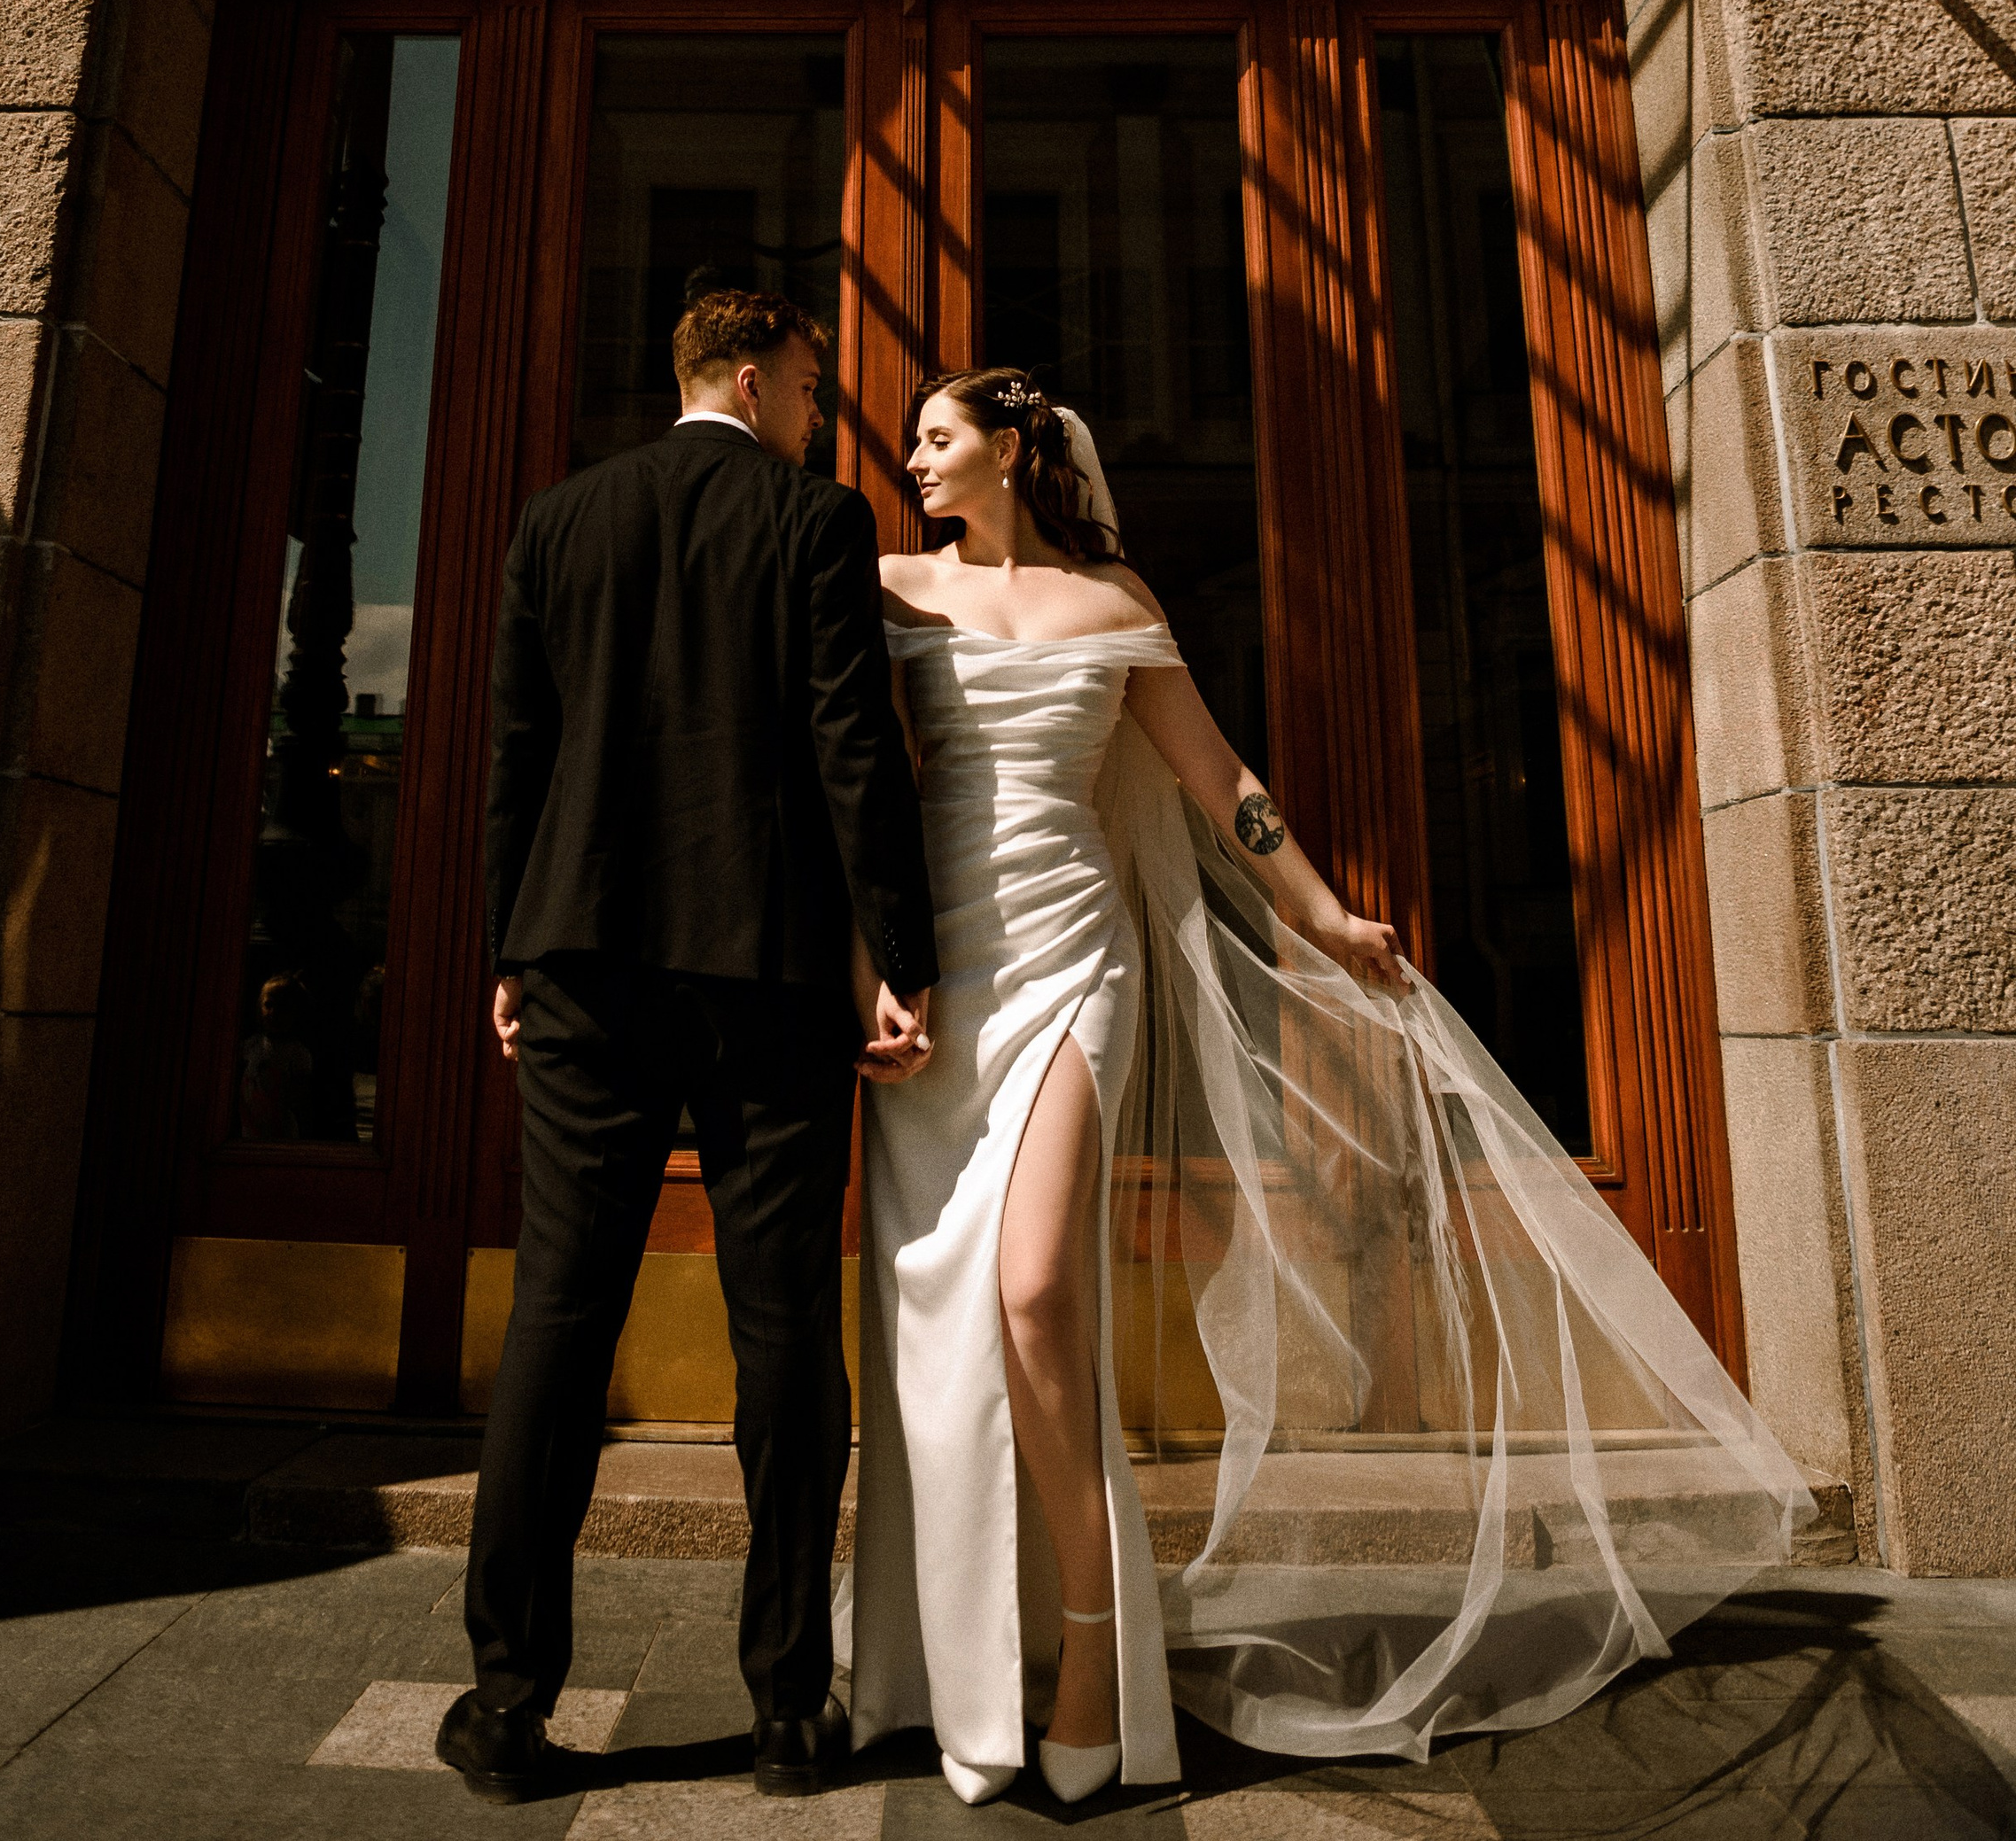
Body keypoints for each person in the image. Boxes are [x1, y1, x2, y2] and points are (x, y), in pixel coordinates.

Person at [847, 368, 1812, 1798]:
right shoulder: (889, 589)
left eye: (938, 437)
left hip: (1074, 968)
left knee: (1041, 1289)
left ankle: (1095, 1639)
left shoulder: (1117, 608)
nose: (914, 457)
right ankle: (959, 1659)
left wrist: (1326, 913)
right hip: (936, 982)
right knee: (942, 1340)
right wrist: (865, 959)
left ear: (1014, 450)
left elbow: (1220, 782)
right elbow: (845, 772)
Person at [442, 288, 938, 1808]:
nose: (815, 412)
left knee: (557, 1320)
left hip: (584, 960)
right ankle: (790, 1707)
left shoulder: (558, 521)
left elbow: (512, 753)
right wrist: (899, 961)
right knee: (781, 1327)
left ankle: (510, 1704)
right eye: (803, 385)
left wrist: (511, 949)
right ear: (745, 375)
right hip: (768, 975)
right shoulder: (814, 521)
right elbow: (852, 747)